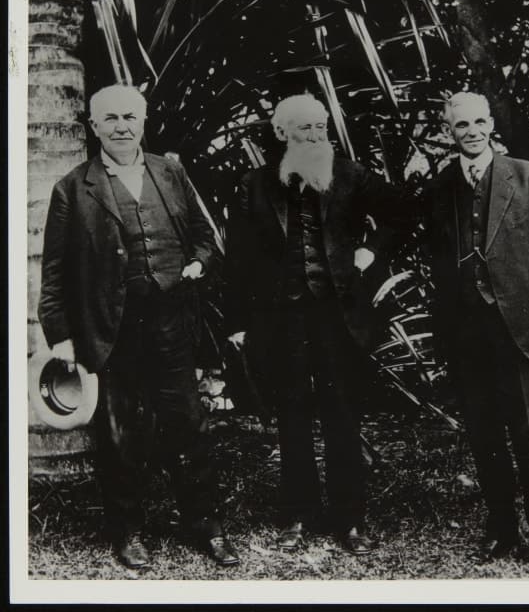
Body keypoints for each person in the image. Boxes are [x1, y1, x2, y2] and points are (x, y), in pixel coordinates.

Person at [38, 84, 239, 570]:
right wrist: (61, 336)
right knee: (121, 436)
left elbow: (205, 237)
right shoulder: (73, 187)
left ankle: (206, 528)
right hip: (113, 332)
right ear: (94, 126)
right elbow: (55, 271)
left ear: (144, 121)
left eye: (130, 117)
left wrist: (198, 264)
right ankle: (127, 532)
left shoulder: (170, 172)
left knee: (189, 427)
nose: (122, 126)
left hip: (171, 325)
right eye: (110, 119)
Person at [224, 93, 404, 555]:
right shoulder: (254, 184)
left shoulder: (350, 174)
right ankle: (297, 515)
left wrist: (371, 252)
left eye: (321, 127)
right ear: (281, 133)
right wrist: (239, 322)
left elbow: (399, 212)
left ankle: (350, 521)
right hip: (280, 319)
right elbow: (239, 259)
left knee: (342, 415)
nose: (316, 135)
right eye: (305, 128)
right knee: (293, 417)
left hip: (337, 317)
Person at [421, 91, 529, 577]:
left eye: (479, 122)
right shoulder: (441, 187)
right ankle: (502, 530)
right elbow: (436, 254)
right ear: (449, 131)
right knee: (485, 436)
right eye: (460, 125)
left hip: (518, 330)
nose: (471, 131)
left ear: (491, 124)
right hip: (466, 334)